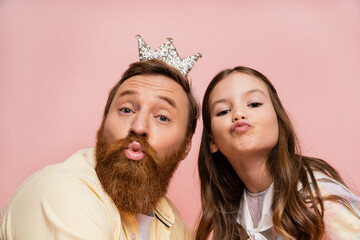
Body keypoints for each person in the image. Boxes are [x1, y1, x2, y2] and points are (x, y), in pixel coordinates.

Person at [0, 35, 201, 239]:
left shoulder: (177, 227)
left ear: (186, 145)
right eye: (126, 110)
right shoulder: (62, 193)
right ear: (103, 122)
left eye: (162, 117)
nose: (139, 127)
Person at [196, 66, 360, 240]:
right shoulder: (233, 216)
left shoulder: (317, 196)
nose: (238, 114)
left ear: (279, 122)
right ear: (212, 141)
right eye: (223, 111)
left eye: (254, 104)